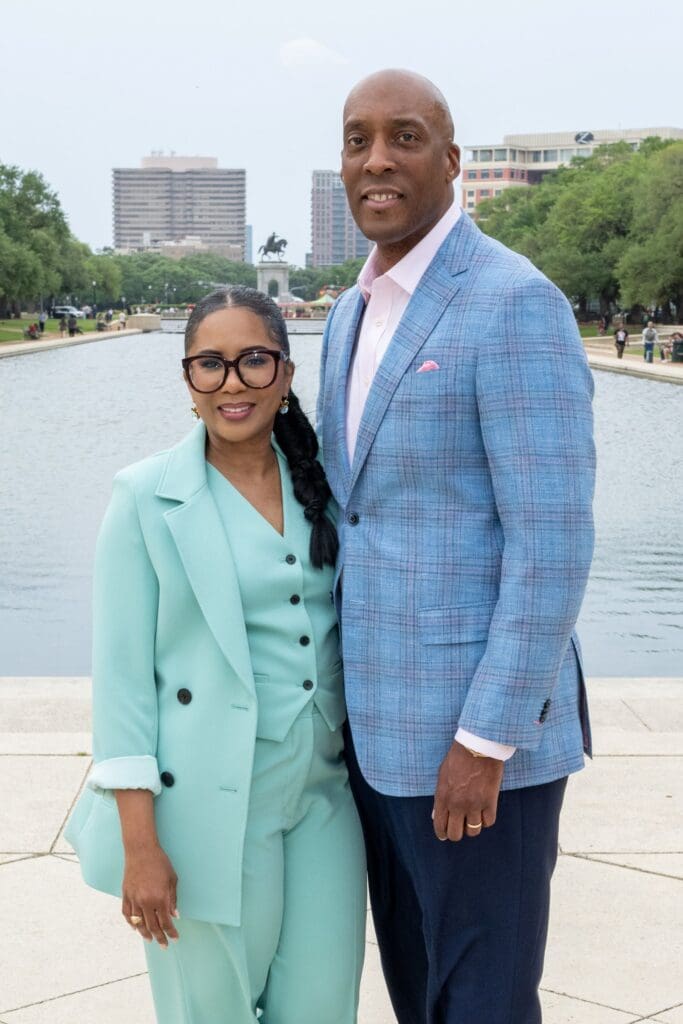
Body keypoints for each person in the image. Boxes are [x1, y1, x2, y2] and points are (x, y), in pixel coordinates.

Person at [317, 69, 595, 1024]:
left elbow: (551, 541)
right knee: (418, 994)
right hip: (376, 739)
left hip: (475, 755)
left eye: (404, 137)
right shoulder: (352, 312)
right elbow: (354, 511)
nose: (377, 160)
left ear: (451, 161)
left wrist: (485, 739)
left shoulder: (512, 302)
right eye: (357, 140)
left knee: (481, 1003)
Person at [65, 286, 366, 1023]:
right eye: (210, 365)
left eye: (254, 361)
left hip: (325, 798)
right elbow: (125, 689)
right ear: (187, 380)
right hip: (202, 807)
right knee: (214, 1012)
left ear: (286, 374)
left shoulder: (327, 482)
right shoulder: (143, 497)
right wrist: (142, 848)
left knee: (323, 1008)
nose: (232, 383)